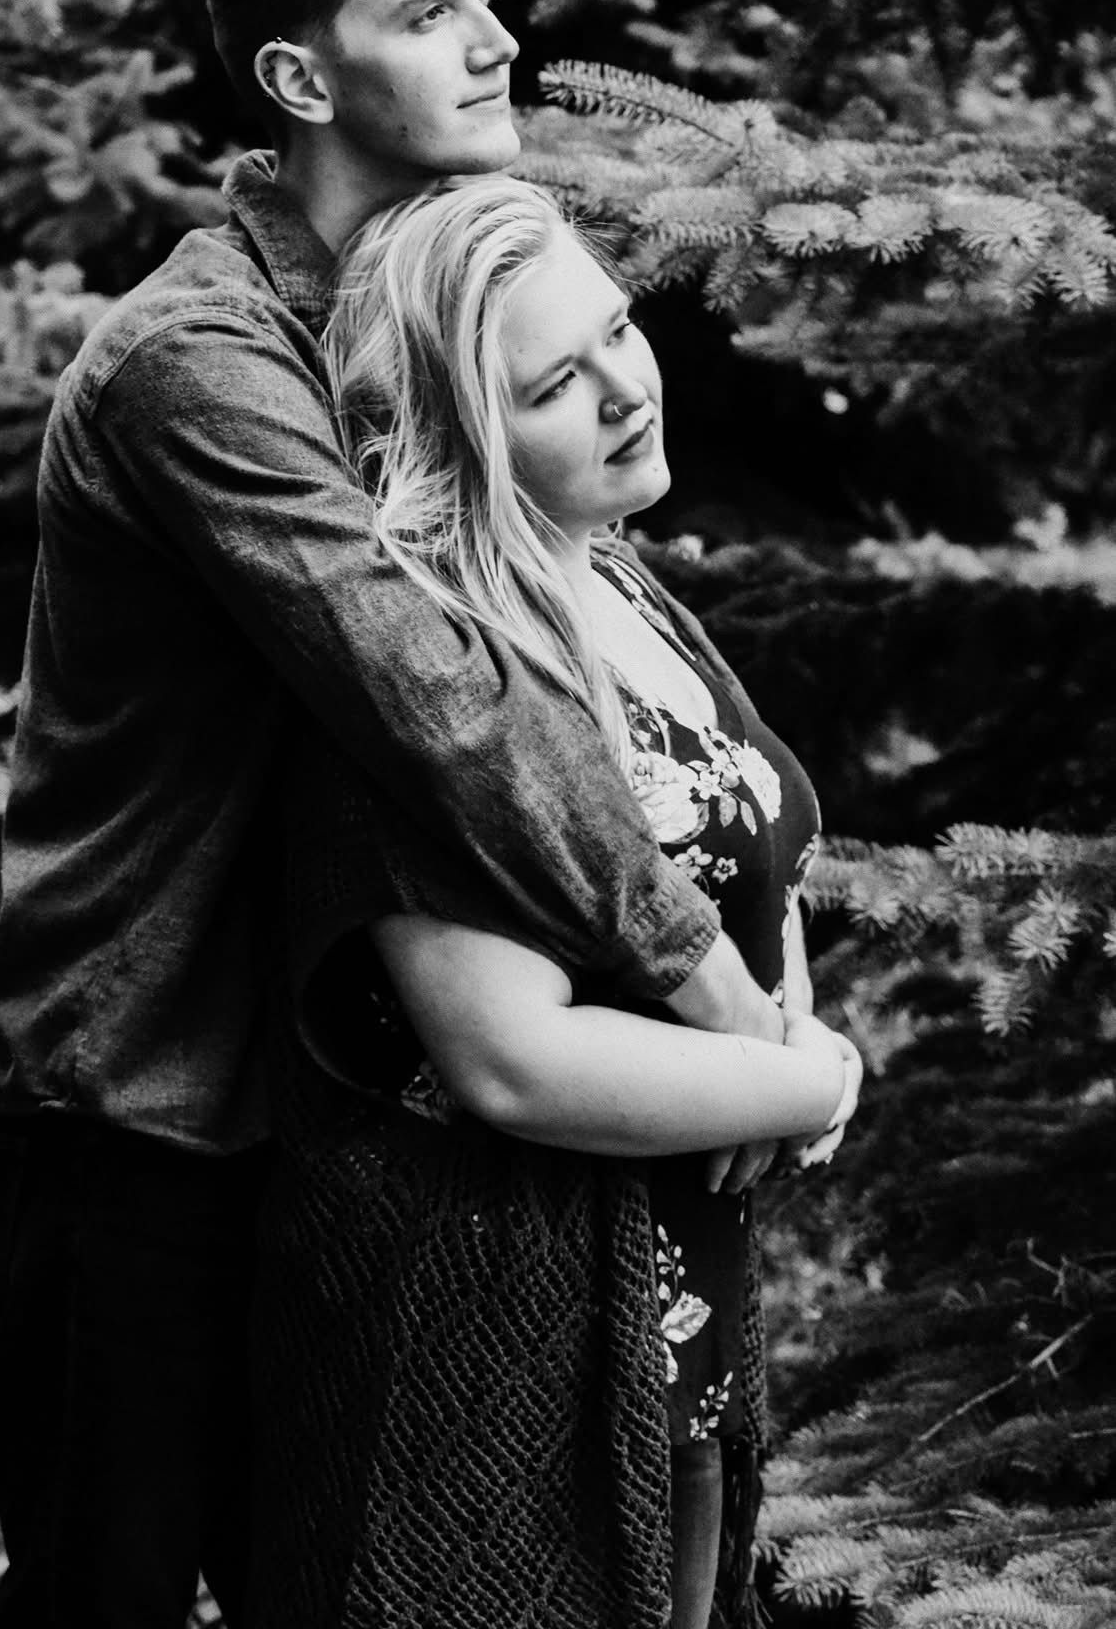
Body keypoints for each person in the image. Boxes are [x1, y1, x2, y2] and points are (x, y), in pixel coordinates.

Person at [0, 0, 797, 1629]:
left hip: (345, 1125)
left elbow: (555, 598)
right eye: (432, 13)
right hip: (149, 1110)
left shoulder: (431, 301)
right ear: (295, 77)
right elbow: (443, 697)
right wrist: (708, 990)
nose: (497, 42)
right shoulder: (201, 362)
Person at [250, 175, 862, 1629]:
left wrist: (792, 1045)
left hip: (672, 1299)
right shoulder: (437, 677)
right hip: (494, 1325)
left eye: (616, 334)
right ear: (460, 436)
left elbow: (749, 846)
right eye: (549, 385)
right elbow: (506, 1059)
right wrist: (794, 1083)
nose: (620, 392)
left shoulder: (618, 587)